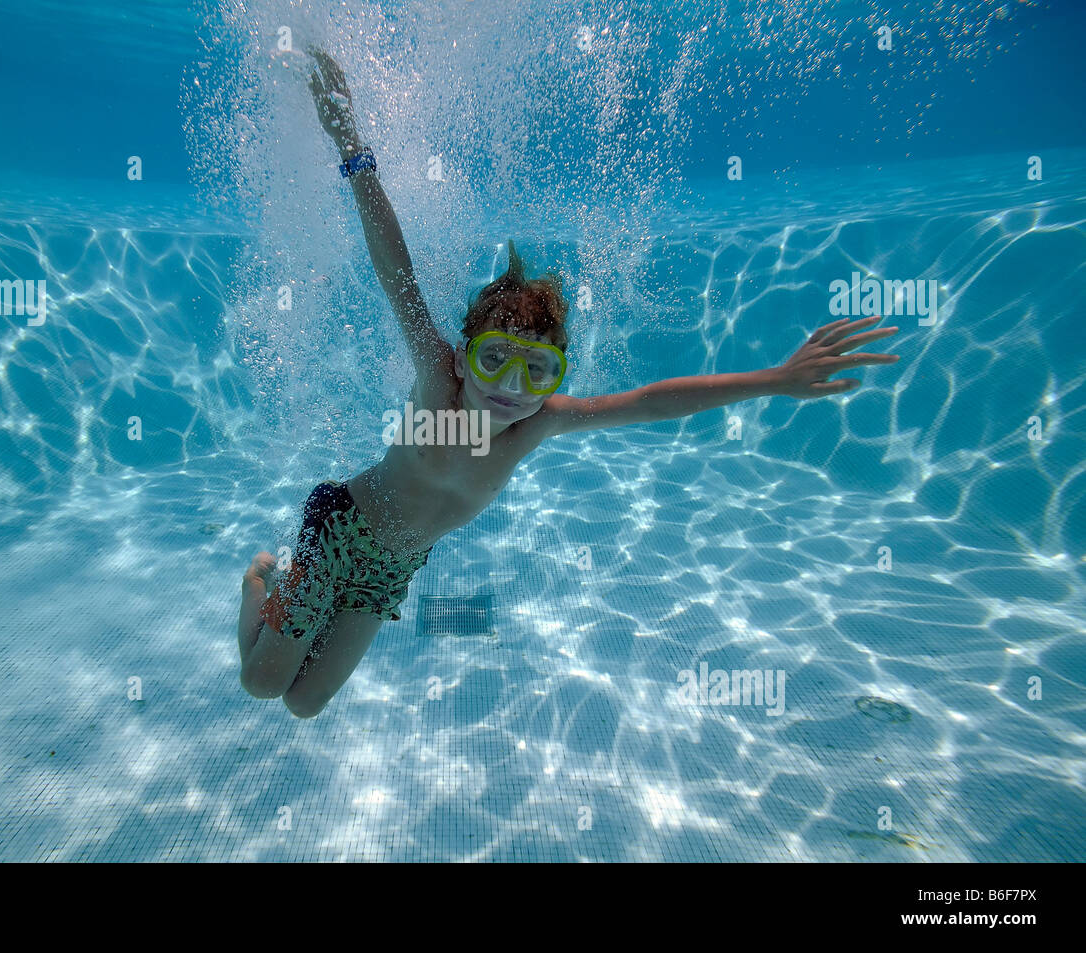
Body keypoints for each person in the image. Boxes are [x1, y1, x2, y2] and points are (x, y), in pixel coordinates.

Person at [237, 47, 900, 718]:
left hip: (394, 566)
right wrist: (351, 145)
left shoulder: (538, 423)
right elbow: (396, 270)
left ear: (556, 377)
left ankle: (278, 592)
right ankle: (258, 583)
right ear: (465, 357)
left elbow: (651, 403)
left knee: (305, 702)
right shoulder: (439, 383)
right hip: (343, 529)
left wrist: (776, 379)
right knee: (263, 681)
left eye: (538, 370)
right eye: (495, 358)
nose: (511, 385)